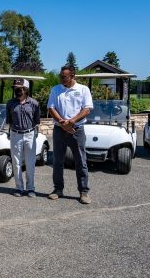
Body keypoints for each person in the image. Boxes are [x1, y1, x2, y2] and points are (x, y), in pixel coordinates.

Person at [47, 65, 93, 204]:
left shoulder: (83, 89)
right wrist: (62, 122)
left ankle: (83, 192)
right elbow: (51, 107)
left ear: (73, 76)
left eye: (64, 77)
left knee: (81, 161)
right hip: (59, 129)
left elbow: (87, 110)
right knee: (57, 161)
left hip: (77, 129)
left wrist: (72, 121)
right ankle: (58, 189)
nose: (61, 79)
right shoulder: (56, 89)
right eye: (60, 76)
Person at [6, 79, 40, 198]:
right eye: (15, 88)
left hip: (30, 134)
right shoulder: (10, 103)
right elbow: (9, 121)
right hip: (15, 134)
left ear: (25, 89)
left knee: (30, 163)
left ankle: (30, 188)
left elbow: (36, 121)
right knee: (16, 162)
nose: (16, 90)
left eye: (19, 88)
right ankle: (19, 188)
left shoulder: (34, 103)